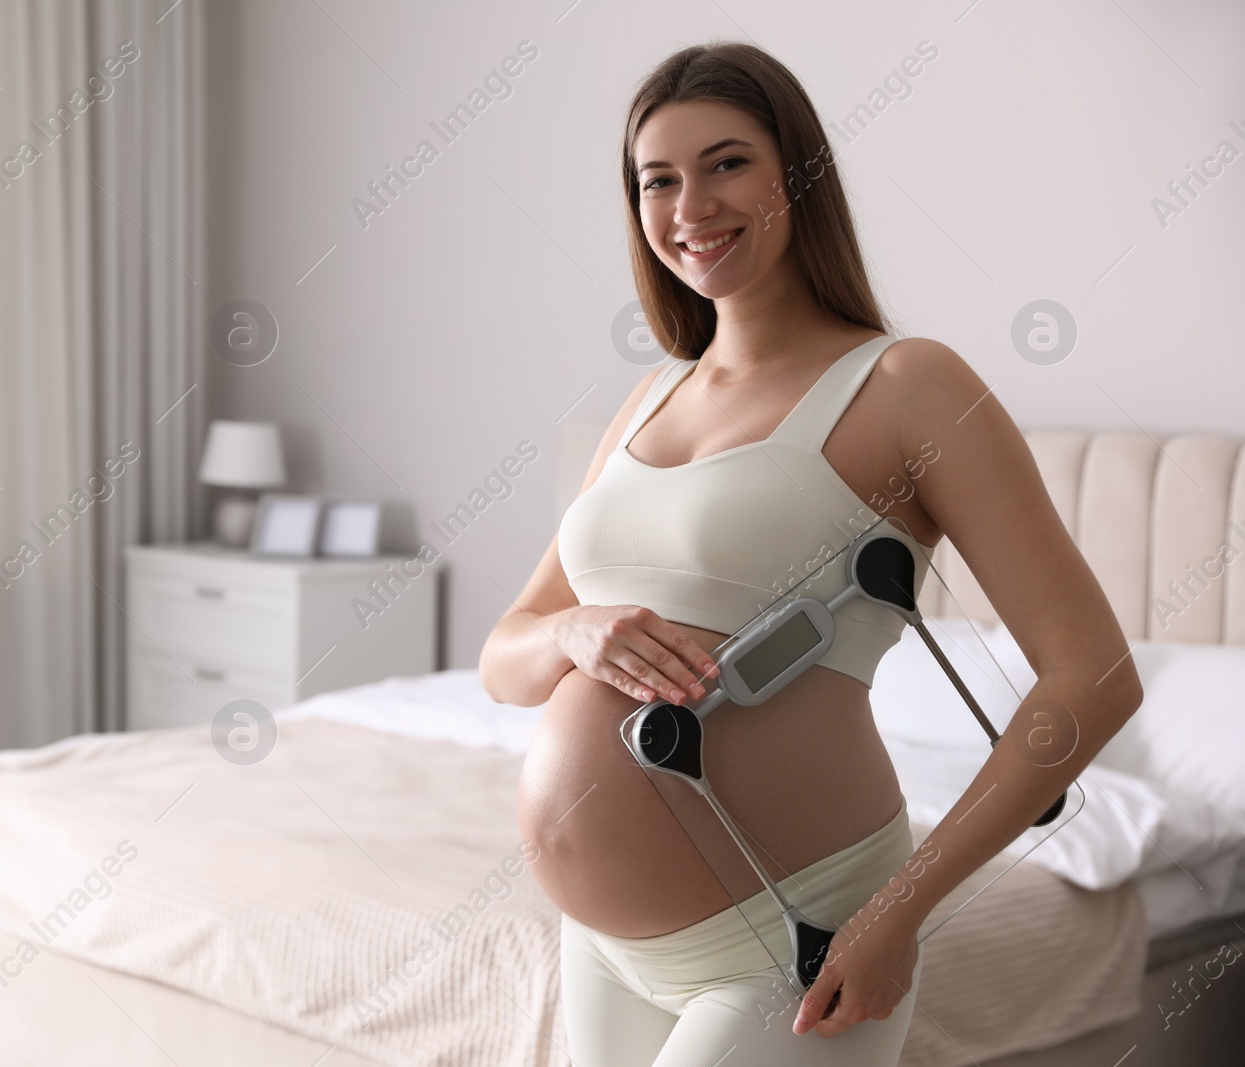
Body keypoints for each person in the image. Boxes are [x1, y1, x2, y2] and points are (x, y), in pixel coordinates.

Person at [477, 41, 1141, 1067]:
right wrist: (572, 627)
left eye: (727, 162)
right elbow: (505, 656)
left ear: (798, 175)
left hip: (796, 939)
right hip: (603, 946)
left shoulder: (906, 384)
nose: (690, 203)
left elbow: (1091, 676)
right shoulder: (646, 398)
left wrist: (899, 911)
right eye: (658, 178)